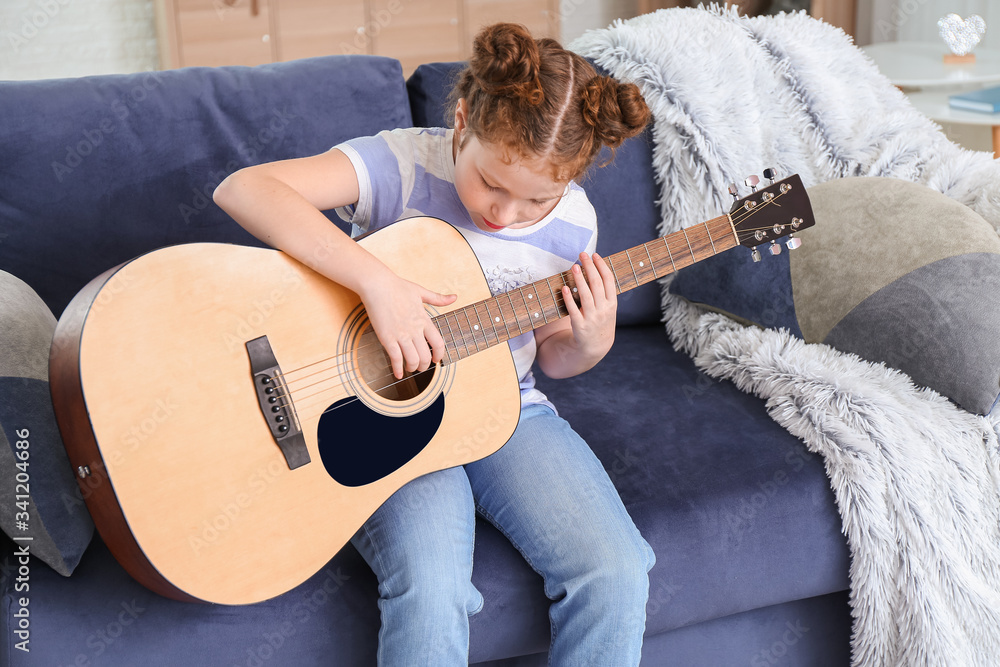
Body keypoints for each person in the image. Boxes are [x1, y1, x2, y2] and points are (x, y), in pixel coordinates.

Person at [214, 22, 655, 666]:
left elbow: (555, 358)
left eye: (536, 199)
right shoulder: (402, 163)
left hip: (509, 409)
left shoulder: (574, 223)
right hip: (378, 413)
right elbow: (245, 188)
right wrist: (376, 282)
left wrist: (590, 341)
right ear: (460, 124)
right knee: (431, 583)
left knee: (617, 570)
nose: (504, 215)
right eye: (491, 183)